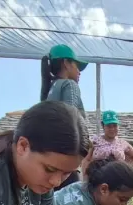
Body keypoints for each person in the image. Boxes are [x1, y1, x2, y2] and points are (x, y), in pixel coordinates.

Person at [40, 44, 88, 190]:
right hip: (66, 159)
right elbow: (70, 119)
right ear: (66, 63)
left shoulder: (50, 89)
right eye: (77, 65)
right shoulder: (70, 85)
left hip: (50, 158)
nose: (79, 71)